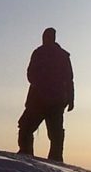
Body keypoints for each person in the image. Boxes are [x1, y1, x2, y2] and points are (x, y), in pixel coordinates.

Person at [17, 27, 74, 162]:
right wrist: (70, 99)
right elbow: (31, 74)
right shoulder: (53, 54)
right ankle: (29, 155)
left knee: (51, 132)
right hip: (50, 100)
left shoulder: (45, 54)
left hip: (43, 100)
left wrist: (70, 99)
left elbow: (68, 79)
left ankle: (31, 156)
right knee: (31, 127)